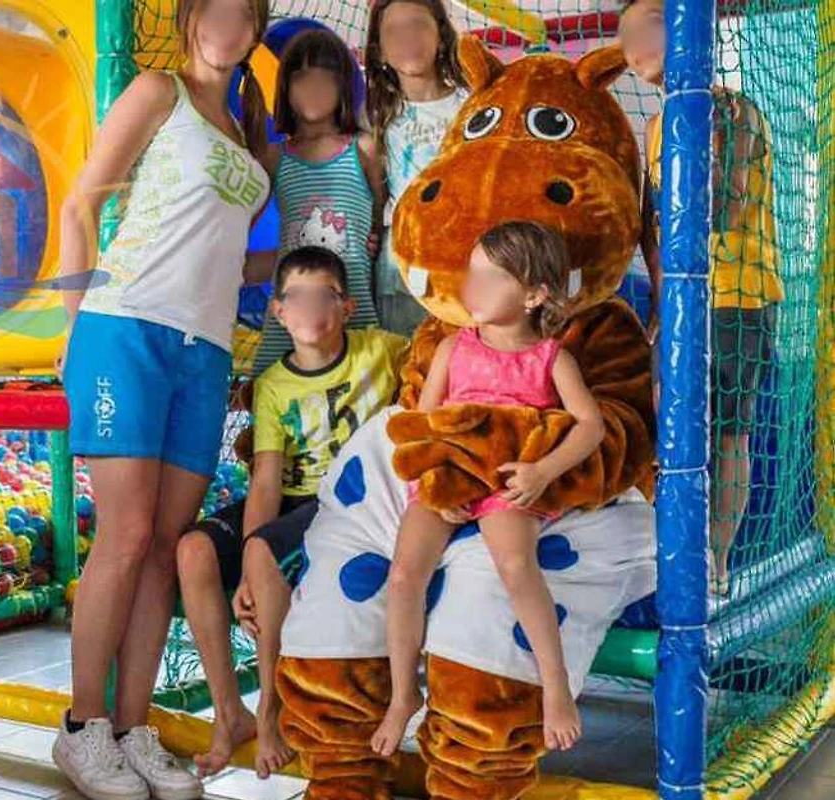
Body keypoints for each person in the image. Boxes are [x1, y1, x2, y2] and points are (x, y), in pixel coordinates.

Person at [54, 1, 273, 797]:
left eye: (245, 13)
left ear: (255, 30)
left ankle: (132, 727)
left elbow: (225, 254)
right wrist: (75, 324)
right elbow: (80, 203)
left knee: (163, 544)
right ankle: (82, 728)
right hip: (126, 328)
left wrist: (315, 255)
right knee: (127, 533)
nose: (228, 24)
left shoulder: (248, 133)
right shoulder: (157, 91)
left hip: (204, 349)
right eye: (216, 8)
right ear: (190, 18)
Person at [370, 222, 605, 757]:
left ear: (534, 295)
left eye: (491, 278)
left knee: (516, 566)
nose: (472, 287)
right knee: (404, 574)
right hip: (451, 475)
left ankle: (556, 687)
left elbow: (590, 426)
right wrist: (436, 482)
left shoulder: (551, 359)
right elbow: (424, 424)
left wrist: (542, 471)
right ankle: (404, 694)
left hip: (506, 479)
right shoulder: (453, 348)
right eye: (472, 273)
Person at [178, 246, 408, 780]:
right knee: (193, 549)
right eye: (297, 298)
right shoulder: (274, 386)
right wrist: (248, 570)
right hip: (290, 500)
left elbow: (437, 358)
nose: (311, 309)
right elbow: (265, 480)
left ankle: (270, 707)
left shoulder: (381, 350)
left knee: (262, 551)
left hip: (346, 502)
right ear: (279, 311)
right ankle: (229, 714)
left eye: (324, 296)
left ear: (346, 307)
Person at [619, 0, 784, 596]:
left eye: (649, 25)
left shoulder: (732, 110)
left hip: (738, 294)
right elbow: (658, 233)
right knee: (670, 427)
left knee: (728, 431)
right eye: (626, 33)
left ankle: (715, 557)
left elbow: (724, 209)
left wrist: (704, 141)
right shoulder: (655, 124)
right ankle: (673, 547)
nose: (634, 42)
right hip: (681, 302)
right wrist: (661, 305)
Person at [250, 29, 385, 375]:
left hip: (351, 306)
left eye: (327, 78)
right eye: (302, 78)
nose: (314, 88)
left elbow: (380, 220)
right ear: (285, 87)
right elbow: (239, 220)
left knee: (363, 392)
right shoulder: (274, 158)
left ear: (343, 87)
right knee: (270, 389)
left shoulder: (363, 149)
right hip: (292, 314)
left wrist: (373, 240)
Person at [365, 0, 468, 337]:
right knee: (408, 360)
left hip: (466, 260)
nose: (407, 37)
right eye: (394, 30)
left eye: (418, 25)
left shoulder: (472, 104)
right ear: (380, 51)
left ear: (441, 36)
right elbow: (375, 193)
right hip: (403, 267)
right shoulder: (375, 116)